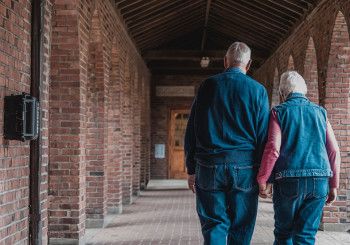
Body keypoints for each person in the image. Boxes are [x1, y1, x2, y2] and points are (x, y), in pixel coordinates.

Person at [184, 42, 270, 245]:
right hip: (245, 166)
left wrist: (191, 168)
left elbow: (192, 130)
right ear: (248, 64)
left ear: (225, 62)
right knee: (242, 225)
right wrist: (263, 175)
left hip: (208, 165)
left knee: (213, 224)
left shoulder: (207, 86)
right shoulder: (258, 91)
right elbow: (263, 136)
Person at [257, 71, 340, 245]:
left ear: (282, 93)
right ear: (305, 91)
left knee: (284, 233)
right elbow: (333, 150)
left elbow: (273, 148)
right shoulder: (321, 113)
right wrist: (334, 184)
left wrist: (263, 178)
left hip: (289, 180)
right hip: (319, 180)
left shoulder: (278, 112)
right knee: (306, 236)